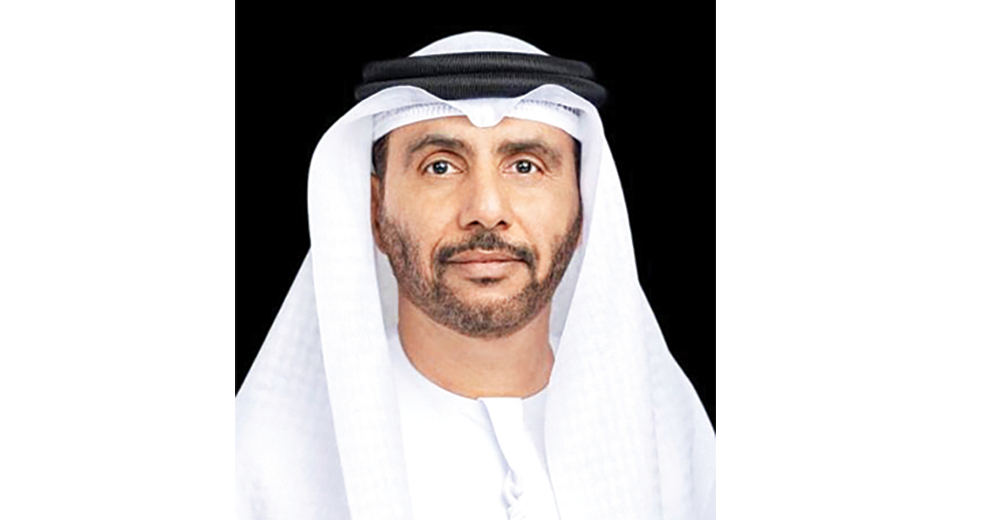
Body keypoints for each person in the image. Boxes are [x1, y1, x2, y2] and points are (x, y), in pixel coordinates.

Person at [236, 31, 716, 520]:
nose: (486, 210)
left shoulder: (669, 438)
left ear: (584, 207)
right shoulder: (268, 459)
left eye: (525, 166)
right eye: (440, 167)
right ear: (375, 211)